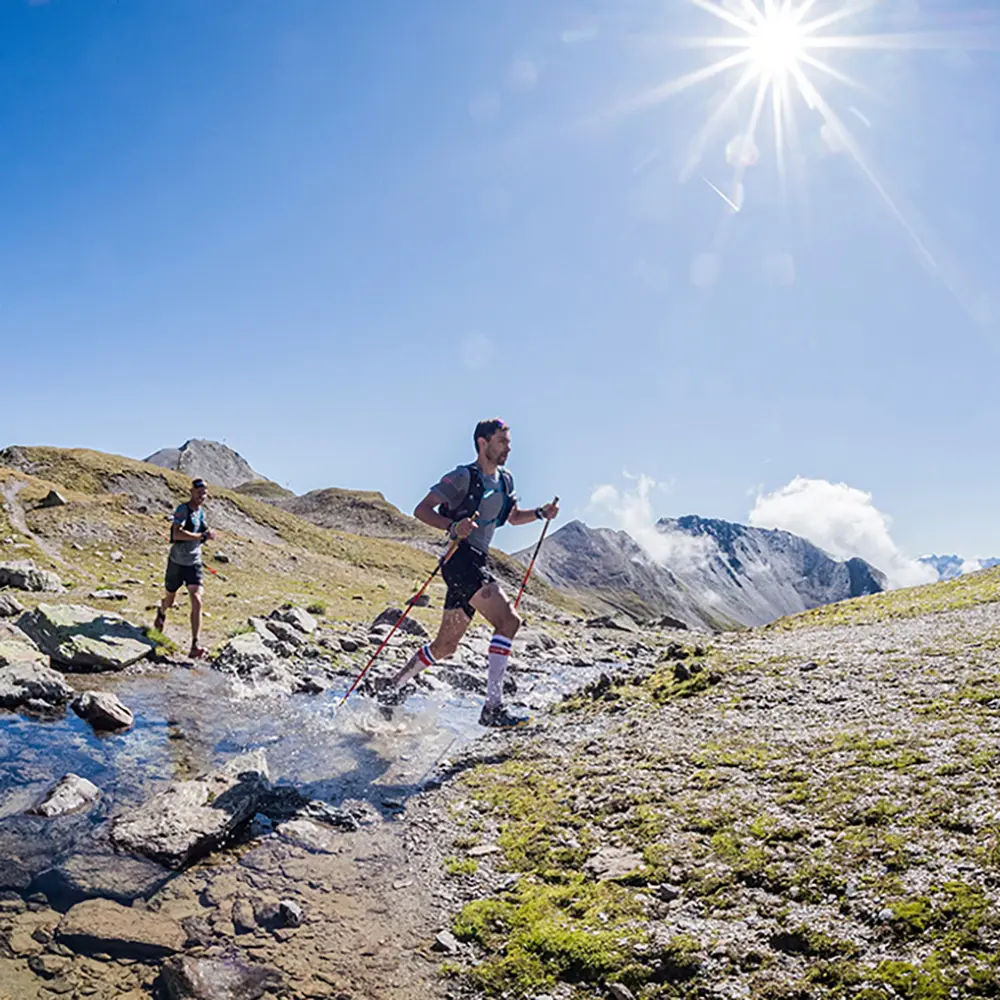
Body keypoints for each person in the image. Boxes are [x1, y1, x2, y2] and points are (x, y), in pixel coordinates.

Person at [382, 418, 558, 727]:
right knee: (509, 621)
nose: (508, 447)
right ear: (482, 443)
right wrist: (452, 526)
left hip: (477, 561)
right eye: (502, 441)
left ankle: (392, 687)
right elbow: (422, 510)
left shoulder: (506, 481)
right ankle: (493, 707)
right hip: (459, 559)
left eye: (508, 441)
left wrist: (541, 513)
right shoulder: (462, 477)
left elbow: (513, 517)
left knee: (446, 646)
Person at [154, 478, 215, 659]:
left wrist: (208, 534)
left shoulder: (201, 512)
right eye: (199, 492)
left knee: (197, 599)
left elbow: (203, 530)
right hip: (177, 562)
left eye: (204, 493)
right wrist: (199, 535)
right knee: (170, 601)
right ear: (191, 492)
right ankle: (162, 610)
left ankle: (195, 645)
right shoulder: (182, 509)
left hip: (194, 563)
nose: (202, 496)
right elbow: (176, 533)